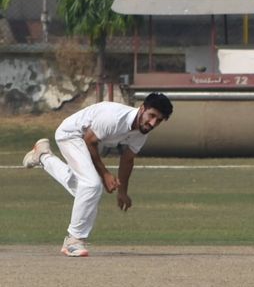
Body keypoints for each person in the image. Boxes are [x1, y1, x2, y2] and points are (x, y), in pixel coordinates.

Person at [23, 93, 173, 256]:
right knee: (92, 184)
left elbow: (127, 159)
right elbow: (89, 140)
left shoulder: (142, 132)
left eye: (158, 120)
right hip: (71, 135)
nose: (152, 123)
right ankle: (74, 240)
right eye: (151, 116)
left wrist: (122, 192)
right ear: (142, 108)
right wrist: (105, 175)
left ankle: (43, 156)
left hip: (83, 139)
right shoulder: (114, 118)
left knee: (86, 191)